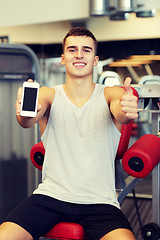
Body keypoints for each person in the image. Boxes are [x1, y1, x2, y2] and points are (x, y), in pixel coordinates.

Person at [0, 27, 138, 240]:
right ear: (63, 58)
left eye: (86, 50)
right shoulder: (48, 94)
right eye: (72, 50)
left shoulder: (112, 94)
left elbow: (121, 113)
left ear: (95, 60)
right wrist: (24, 112)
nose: (79, 55)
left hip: (99, 202)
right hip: (50, 197)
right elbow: (27, 121)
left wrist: (127, 111)